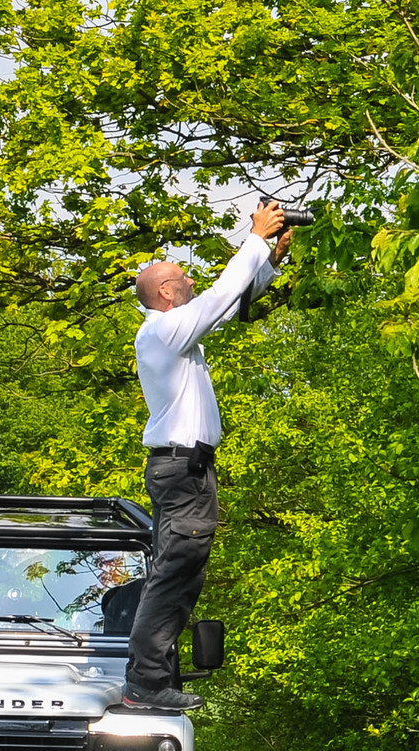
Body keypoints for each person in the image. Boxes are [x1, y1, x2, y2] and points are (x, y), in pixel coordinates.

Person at [121, 200, 292, 710]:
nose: (192, 280)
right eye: (184, 278)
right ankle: (146, 683)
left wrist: (271, 262)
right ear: (166, 293)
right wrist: (256, 237)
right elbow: (220, 294)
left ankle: (153, 677)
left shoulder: (176, 334)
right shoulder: (160, 330)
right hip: (181, 468)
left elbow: (231, 301)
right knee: (174, 570)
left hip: (187, 469)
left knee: (182, 570)